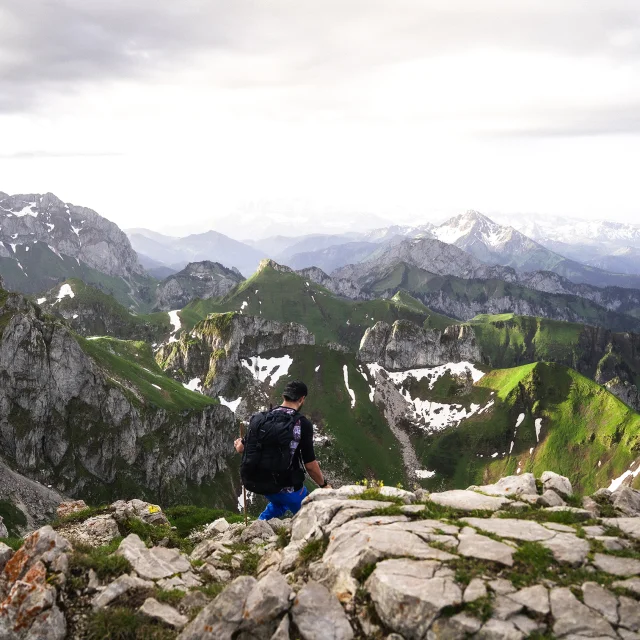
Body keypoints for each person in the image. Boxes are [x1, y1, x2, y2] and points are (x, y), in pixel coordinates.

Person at [234, 380, 331, 520]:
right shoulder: (302, 423)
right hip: (288, 487)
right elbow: (310, 465)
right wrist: (324, 485)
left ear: (284, 396)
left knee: (279, 503)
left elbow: (242, 448)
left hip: (261, 484)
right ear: (302, 399)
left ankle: (259, 525)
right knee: (312, 516)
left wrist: (238, 445)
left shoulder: (260, 418)